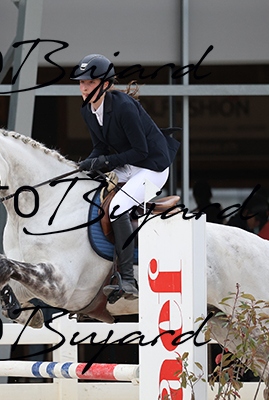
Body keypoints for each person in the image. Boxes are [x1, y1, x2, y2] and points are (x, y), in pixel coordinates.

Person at [71, 54, 180, 300]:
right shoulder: (87, 110)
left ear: (105, 85)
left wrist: (104, 162)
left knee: (118, 207)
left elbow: (141, 151)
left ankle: (128, 280)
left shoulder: (124, 107)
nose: (84, 87)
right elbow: (100, 147)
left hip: (153, 167)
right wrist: (86, 164)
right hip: (128, 165)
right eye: (81, 82)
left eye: (90, 82)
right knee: (86, 188)